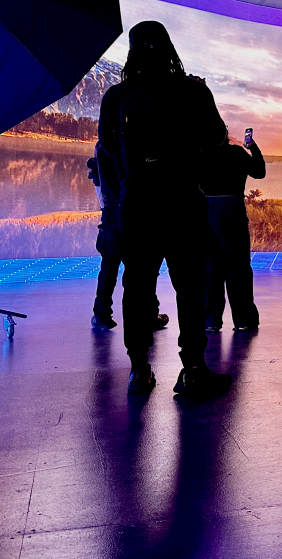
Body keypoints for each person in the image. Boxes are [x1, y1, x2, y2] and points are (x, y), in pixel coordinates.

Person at [97, 20, 230, 398]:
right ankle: (192, 369)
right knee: (190, 286)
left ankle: (139, 370)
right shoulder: (193, 90)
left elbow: (107, 147)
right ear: (169, 47)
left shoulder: (117, 96)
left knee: (137, 286)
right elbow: (218, 138)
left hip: (136, 201)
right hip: (183, 201)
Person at [87, 147, 168, 333]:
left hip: (112, 211)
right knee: (143, 269)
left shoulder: (101, 147)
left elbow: (99, 181)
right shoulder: (135, 143)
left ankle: (101, 315)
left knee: (108, 266)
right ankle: (148, 315)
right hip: (135, 210)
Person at [203, 135, 266, 333]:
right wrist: (253, 147)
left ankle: (210, 320)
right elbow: (259, 171)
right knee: (238, 265)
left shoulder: (200, 153)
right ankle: (244, 319)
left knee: (210, 267)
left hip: (203, 208)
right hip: (231, 208)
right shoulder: (236, 153)